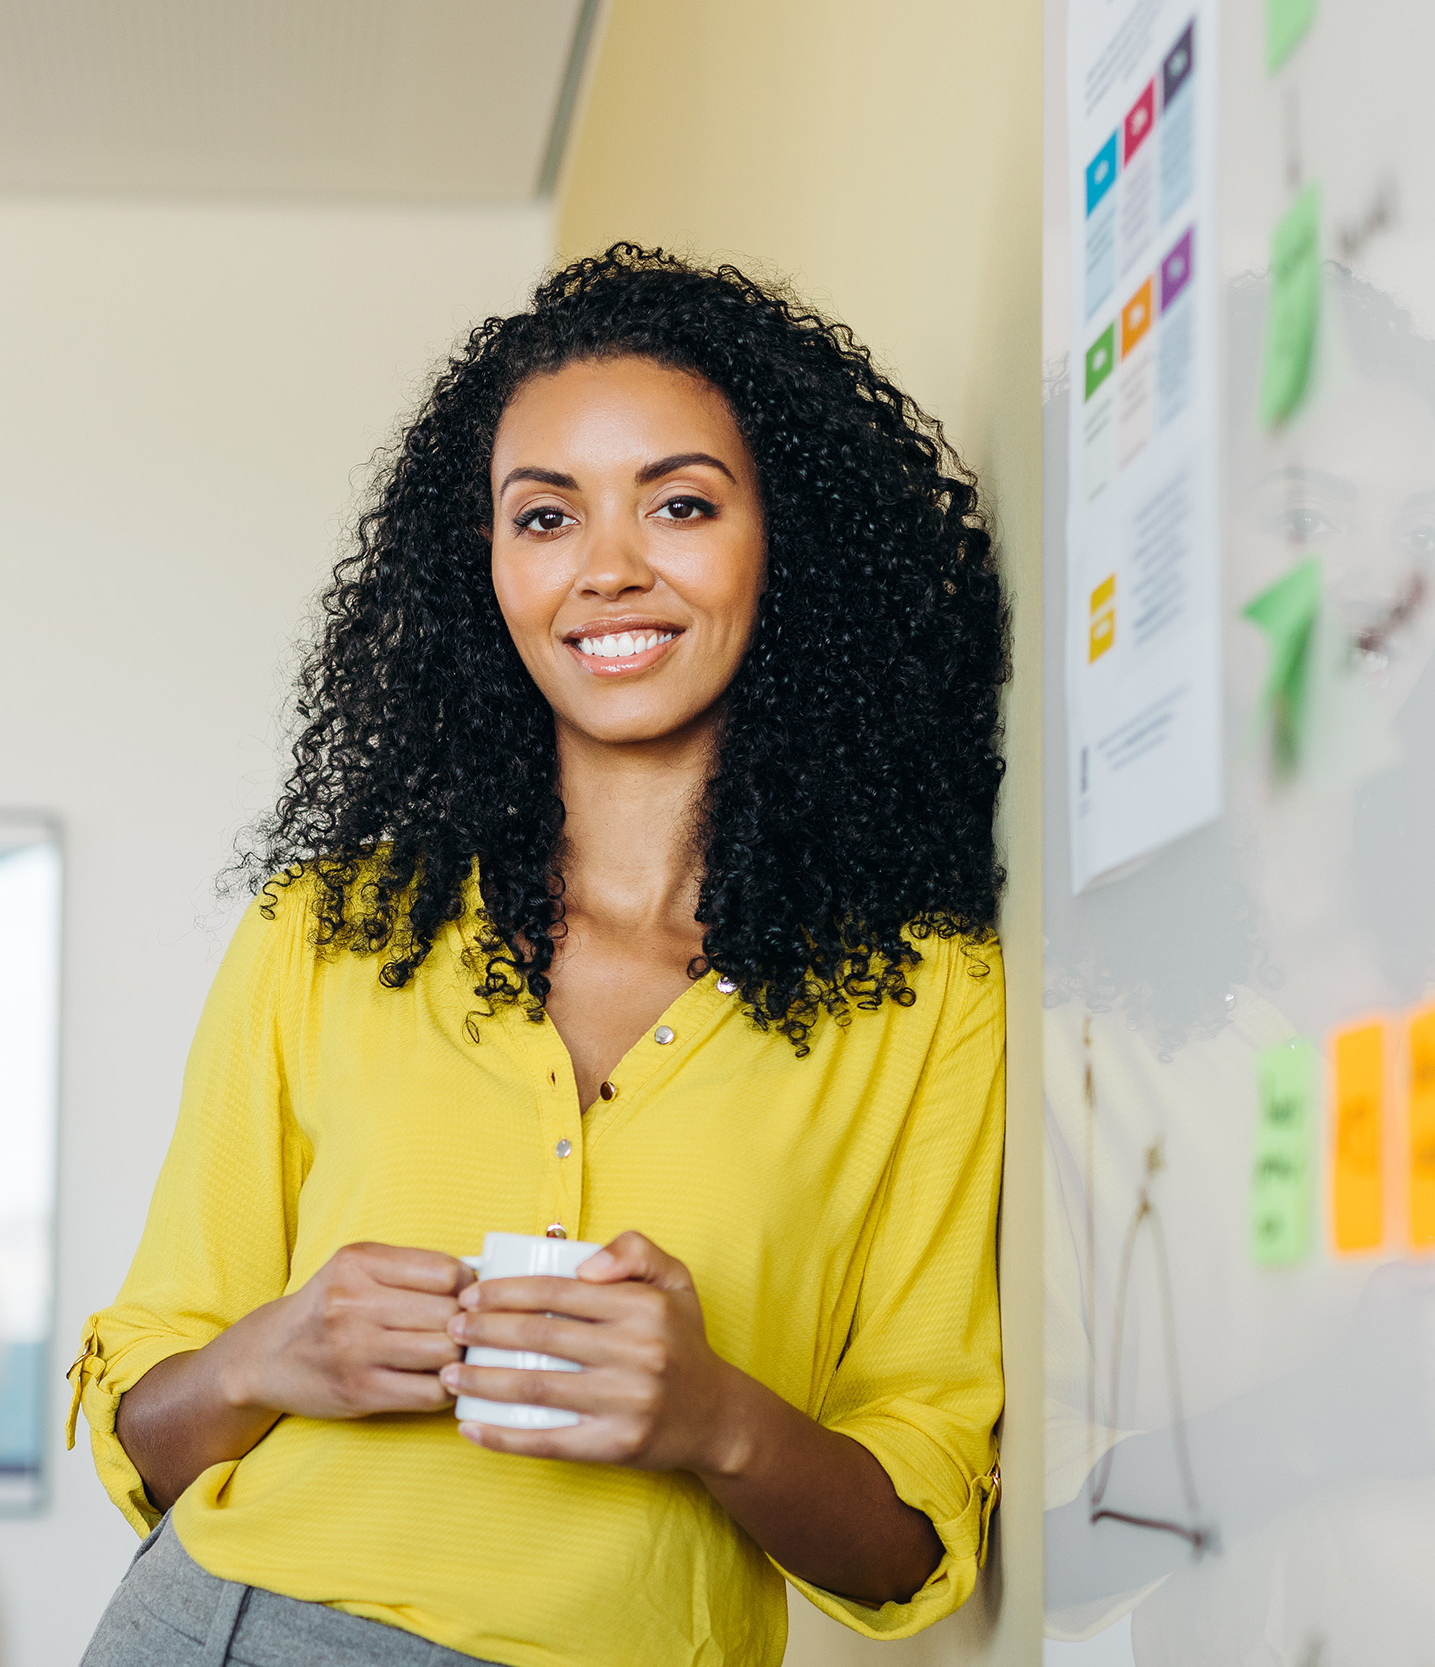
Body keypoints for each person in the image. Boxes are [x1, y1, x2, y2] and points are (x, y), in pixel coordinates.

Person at [67, 245, 1010, 1667]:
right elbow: (147, 1430)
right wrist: (277, 1351)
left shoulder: (926, 992)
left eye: (681, 504)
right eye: (546, 517)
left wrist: (719, 1420)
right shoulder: (326, 934)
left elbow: (916, 1542)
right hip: (226, 1630)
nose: (610, 570)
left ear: (791, 542)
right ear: (486, 570)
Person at [1041, 268, 1435, 1664]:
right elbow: (1018, 1559)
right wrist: (1320, 1421)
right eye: (1306, 517)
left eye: (1427, 530)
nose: (1390, 584)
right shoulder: (1061, 1036)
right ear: (1143, 559)